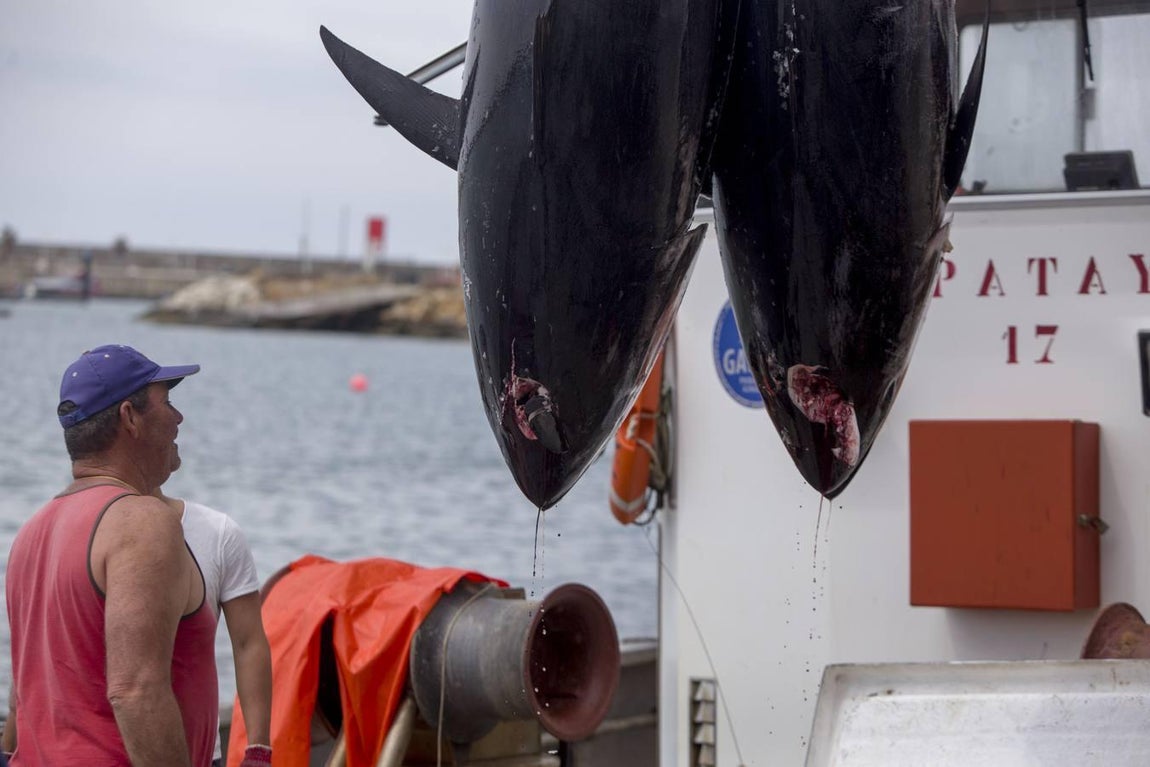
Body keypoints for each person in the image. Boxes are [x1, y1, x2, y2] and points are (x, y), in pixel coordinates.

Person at [2, 344, 261, 767]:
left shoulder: (33, 531)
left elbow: (23, 689)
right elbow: (135, 690)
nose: (179, 419)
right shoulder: (142, 522)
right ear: (130, 417)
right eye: (168, 402)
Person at [157, 490, 273, 767]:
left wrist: (258, 750)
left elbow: (248, 643)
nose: (175, 445)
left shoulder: (217, 533)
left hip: (202, 754)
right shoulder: (90, 531)